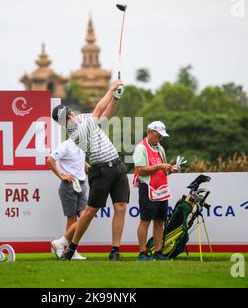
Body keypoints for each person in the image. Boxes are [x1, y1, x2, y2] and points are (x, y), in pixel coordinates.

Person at [51, 79, 129, 261]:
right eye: (69, 114)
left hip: (117, 164)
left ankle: (115, 250)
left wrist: (116, 98)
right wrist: (111, 88)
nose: (73, 115)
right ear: (66, 120)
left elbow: (106, 115)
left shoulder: (85, 118)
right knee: (89, 212)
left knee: (121, 207)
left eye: (71, 112)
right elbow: (99, 110)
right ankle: (71, 247)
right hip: (100, 171)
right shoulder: (76, 133)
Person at [132, 121, 178, 261]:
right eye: (158, 135)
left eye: (162, 136)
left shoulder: (160, 148)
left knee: (159, 221)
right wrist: (160, 166)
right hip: (147, 188)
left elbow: (163, 171)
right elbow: (140, 170)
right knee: (145, 221)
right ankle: (142, 253)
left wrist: (170, 170)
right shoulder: (140, 148)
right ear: (150, 132)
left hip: (162, 189)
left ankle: (158, 253)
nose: (160, 138)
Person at [47, 139, 89, 260]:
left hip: (81, 184)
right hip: (69, 185)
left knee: (85, 216)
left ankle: (63, 245)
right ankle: (71, 251)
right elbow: (50, 160)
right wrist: (61, 175)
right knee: (72, 219)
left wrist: (87, 166)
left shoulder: (82, 145)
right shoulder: (66, 145)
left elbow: (79, 161)